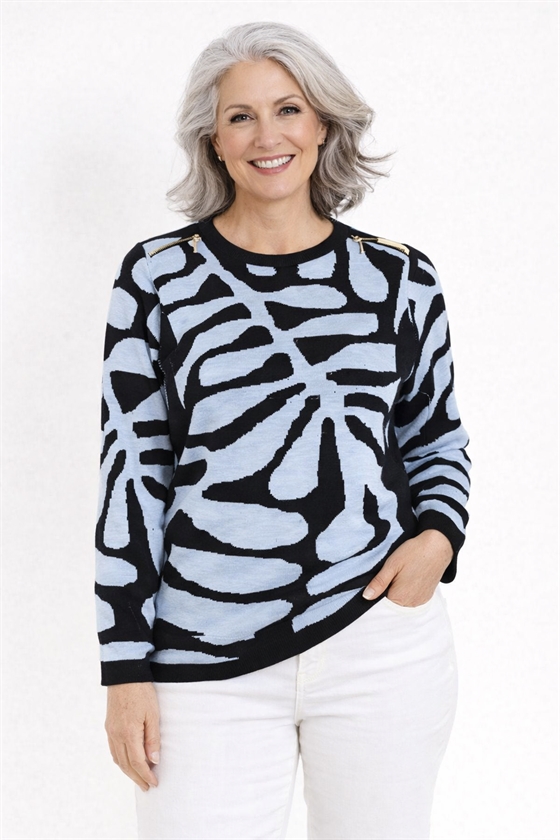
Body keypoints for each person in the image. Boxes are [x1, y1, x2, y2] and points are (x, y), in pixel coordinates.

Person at [95, 21, 471, 840]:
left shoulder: (398, 277)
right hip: (203, 653)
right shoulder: (158, 278)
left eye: (289, 109)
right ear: (214, 141)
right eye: (241, 116)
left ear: (324, 124)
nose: (268, 136)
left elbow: (435, 436)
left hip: (378, 643)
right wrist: (124, 667)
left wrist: (437, 539)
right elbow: (132, 473)